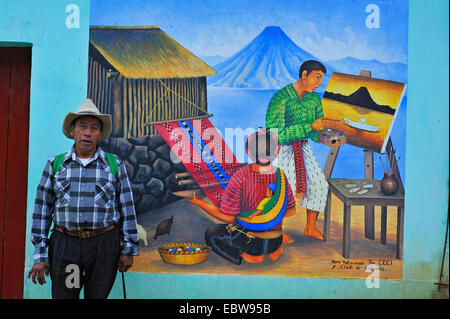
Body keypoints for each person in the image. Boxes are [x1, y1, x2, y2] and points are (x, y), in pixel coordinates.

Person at [27, 98, 139, 299]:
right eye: (82, 127)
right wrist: (40, 254)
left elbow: (127, 209)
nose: (87, 133)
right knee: (66, 296)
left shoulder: (114, 165)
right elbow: (42, 211)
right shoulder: (55, 165)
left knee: (96, 297)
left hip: (104, 245)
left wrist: (128, 249)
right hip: (67, 245)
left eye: (94, 128)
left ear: (100, 134)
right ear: (72, 131)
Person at [188, 130, 296, 265]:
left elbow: (228, 217)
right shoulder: (281, 176)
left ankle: (247, 256)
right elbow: (291, 210)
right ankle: (274, 250)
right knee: (269, 233)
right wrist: (269, 219)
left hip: (249, 242)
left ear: (248, 152)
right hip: (274, 239)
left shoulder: (240, 176)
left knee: (212, 234)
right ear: (277, 150)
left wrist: (200, 203)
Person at [266, 60, 331, 240]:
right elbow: (275, 134)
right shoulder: (281, 98)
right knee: (282, 189)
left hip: (303, 148)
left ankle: (310, 227)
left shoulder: (314, 99)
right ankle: (276, 231)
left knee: (319, 184)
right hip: (281, 150)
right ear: (304, 75)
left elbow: (316, 132)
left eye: (321, 79)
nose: (320, 83)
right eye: (317, 77)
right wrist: (310, 126)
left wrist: (324, 137)